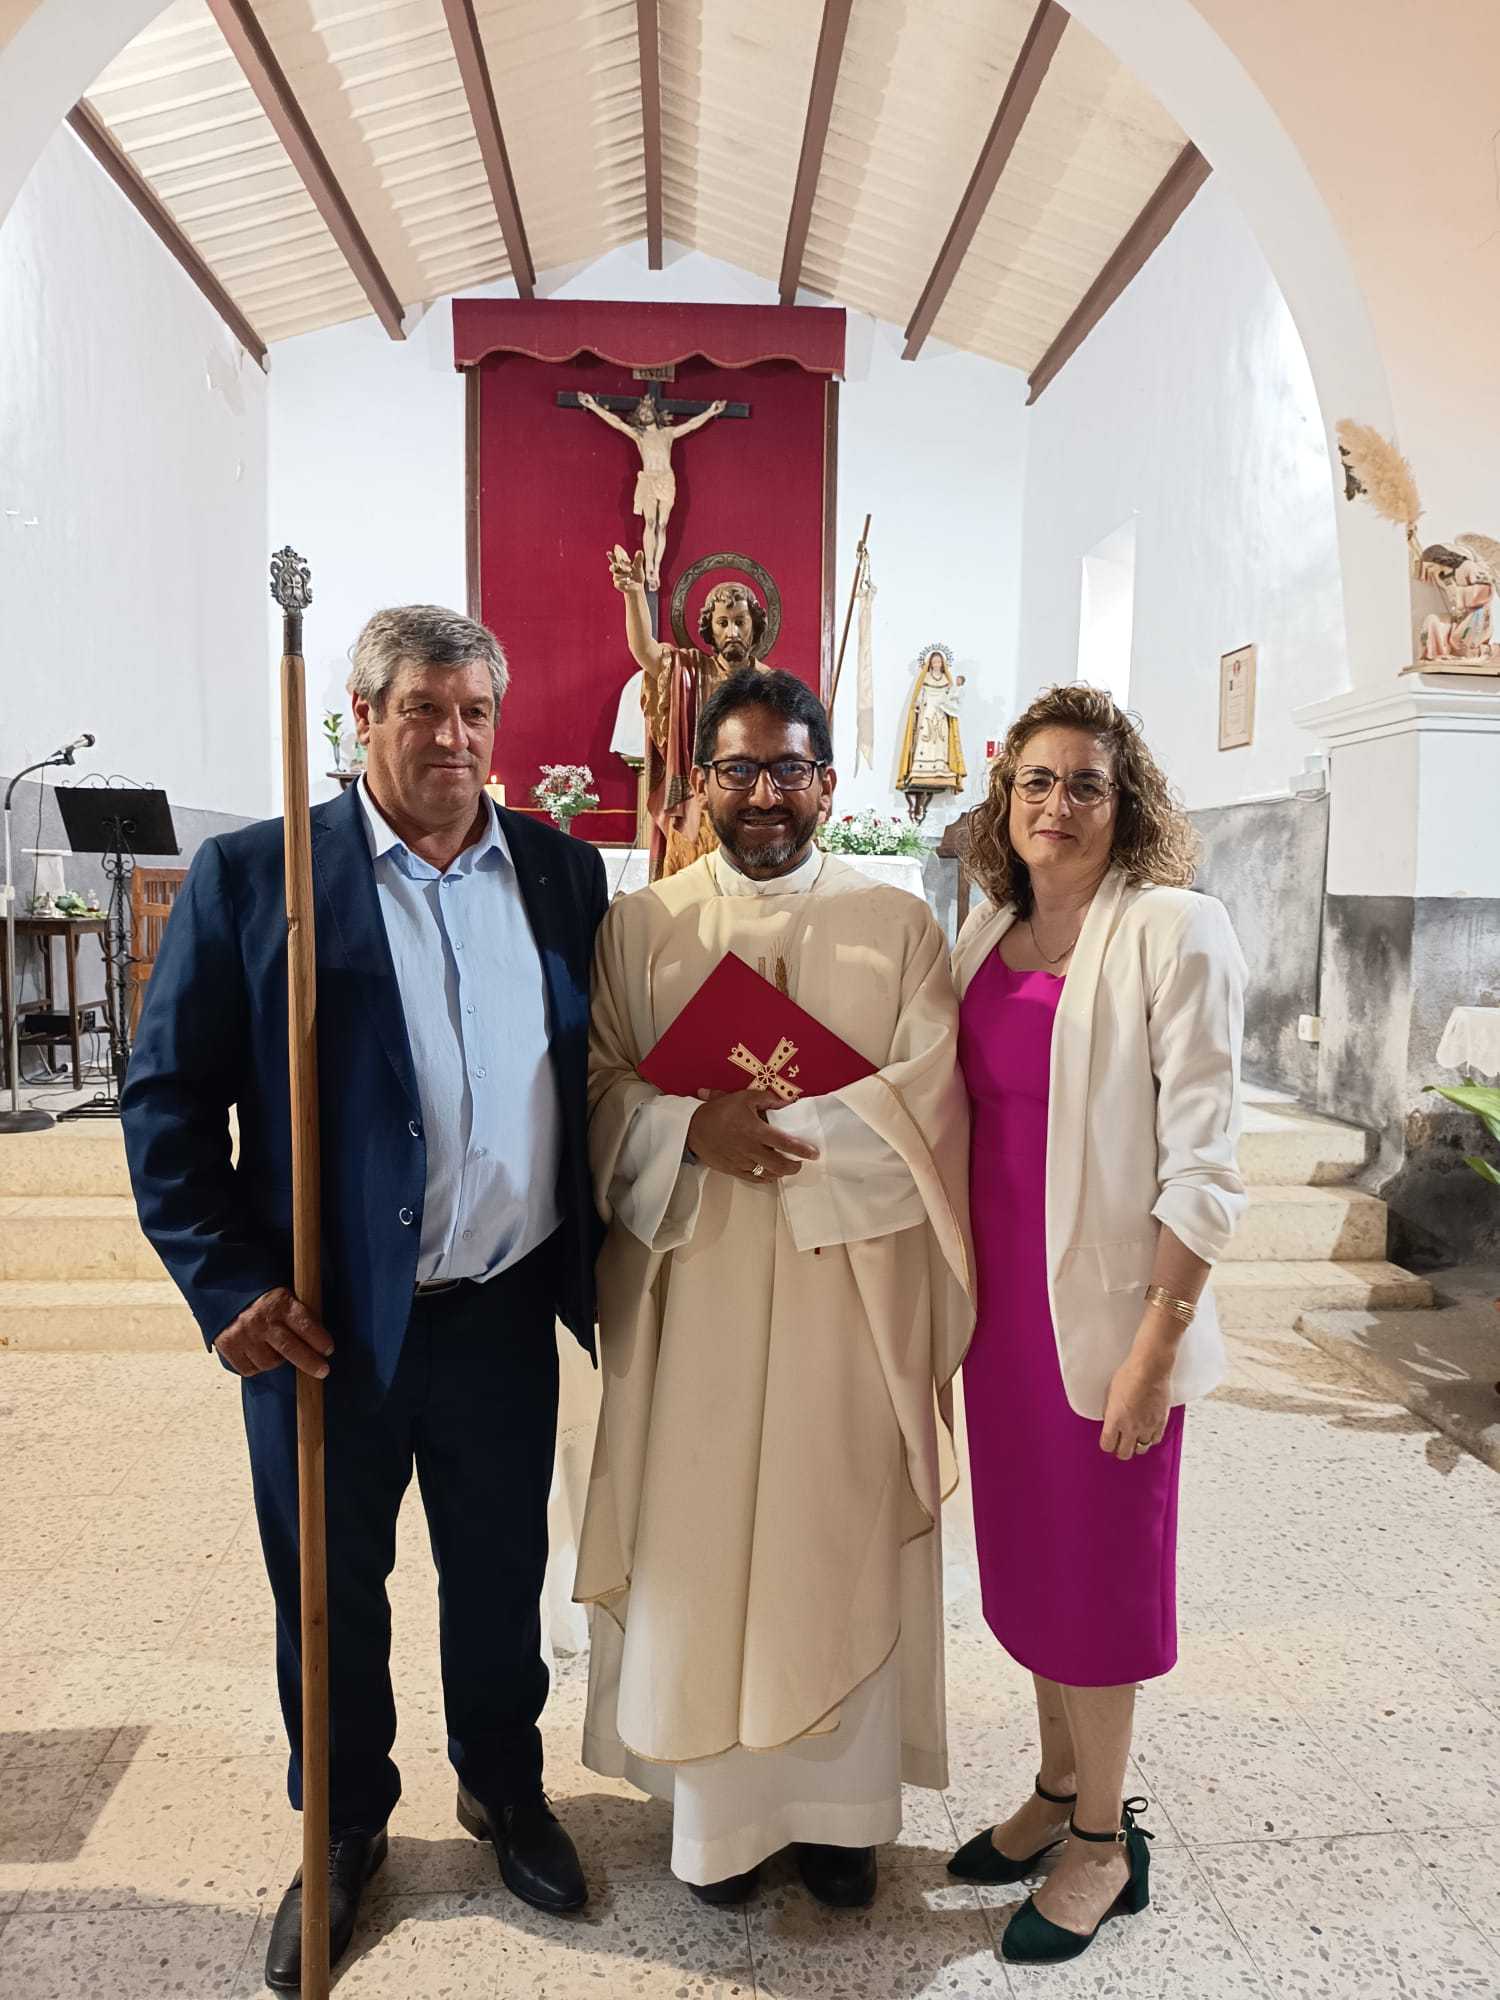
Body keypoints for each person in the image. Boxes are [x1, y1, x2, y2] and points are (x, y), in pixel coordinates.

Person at [121, 605, 607, 1991]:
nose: (453, 737)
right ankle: (341, 1820)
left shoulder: (563, 872)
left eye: (474, 713)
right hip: (324, 1323)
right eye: (422, 710)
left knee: (501, 1571)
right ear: (362, 716)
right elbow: (167, 1104)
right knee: (329, 1583)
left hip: (503, 1305)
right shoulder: (258, 875)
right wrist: (229, 1282)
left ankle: (503, 1784)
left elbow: (599, 1076)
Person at [577, 667, 973, 1908]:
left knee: (829, 1526)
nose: (765, 795)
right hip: (691, 1290)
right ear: (699, 781)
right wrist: (691, 1130)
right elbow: (597, 1088)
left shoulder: (897, 924)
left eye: (789, 769)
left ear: (828, 783)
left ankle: (839, 1815)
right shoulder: (642, 926)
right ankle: (718, 1825)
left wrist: (795, 1135)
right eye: (740, 769)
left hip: (840, 1297)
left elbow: (932, 1101)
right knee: (698, 1541)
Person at [947, 682, 1246, 1967]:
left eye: (1087, 784)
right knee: (1031, 1566)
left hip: (1114, 1322)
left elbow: (1207, 1166)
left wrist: (1156, 1349)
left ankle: (1105, 1842)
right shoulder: (985, 928)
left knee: (1102, 1581)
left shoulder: (1174, 930)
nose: (1057, 805)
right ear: (1004, 796)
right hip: (1003, 1320)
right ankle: (1056, 1785)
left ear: (1127, 806)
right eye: (1037, 780)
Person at [607, 545, 774, 876]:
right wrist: (634, 593)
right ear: (711, 628)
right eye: (723, 622)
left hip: (752, 814)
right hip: (697, 812)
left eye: (740, 622)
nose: (732, 632)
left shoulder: (771, 685)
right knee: (690, 896)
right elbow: (645, 651)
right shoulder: (690, 672)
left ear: (754, 625)